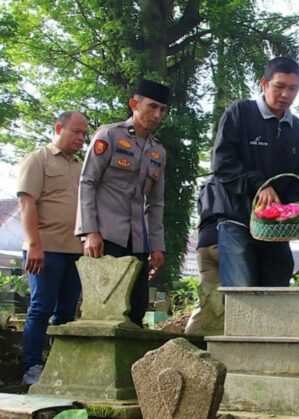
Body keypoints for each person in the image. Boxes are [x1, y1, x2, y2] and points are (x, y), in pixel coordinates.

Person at [76, 79, 170, 327]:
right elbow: (87, 182)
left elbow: (156, 202)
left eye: (162, 110)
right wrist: (89, 232)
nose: (157, 115)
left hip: (138, 240)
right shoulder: (109, 135)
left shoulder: (158, 151)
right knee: (101, 305)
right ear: (134, 105)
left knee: (136, 307)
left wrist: (156, 246)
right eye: (152, 107)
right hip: (105, 236)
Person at [211, 57, 299, 287]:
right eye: (279, 86)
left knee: (276, 290)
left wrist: (288, 208)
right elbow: (223, 163)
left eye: (293, 89)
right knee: (241, 292)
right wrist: (260, 186)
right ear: (264, 84)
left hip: (276, 227)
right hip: (237, 219)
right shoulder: (240, 112)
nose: (286, 94)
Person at [17, 111, 88, 385]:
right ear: (59, 128)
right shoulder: (38, 159)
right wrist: (34, 245)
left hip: (75, 250)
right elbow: (26, 203)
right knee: (41, 307)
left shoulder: (81, 167)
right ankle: (31, 368)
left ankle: (60, 368)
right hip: (44, 248)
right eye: (76, 131)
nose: (81, 138)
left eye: (84, 134)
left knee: (67, 312)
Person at [184, 177, 224, 335]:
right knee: (238, 295)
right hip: (224, 240)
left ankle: (189, 337)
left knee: (206, 300)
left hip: (203, 245)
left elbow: (200, 218)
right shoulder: (235, 178)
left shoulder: (204, 187)